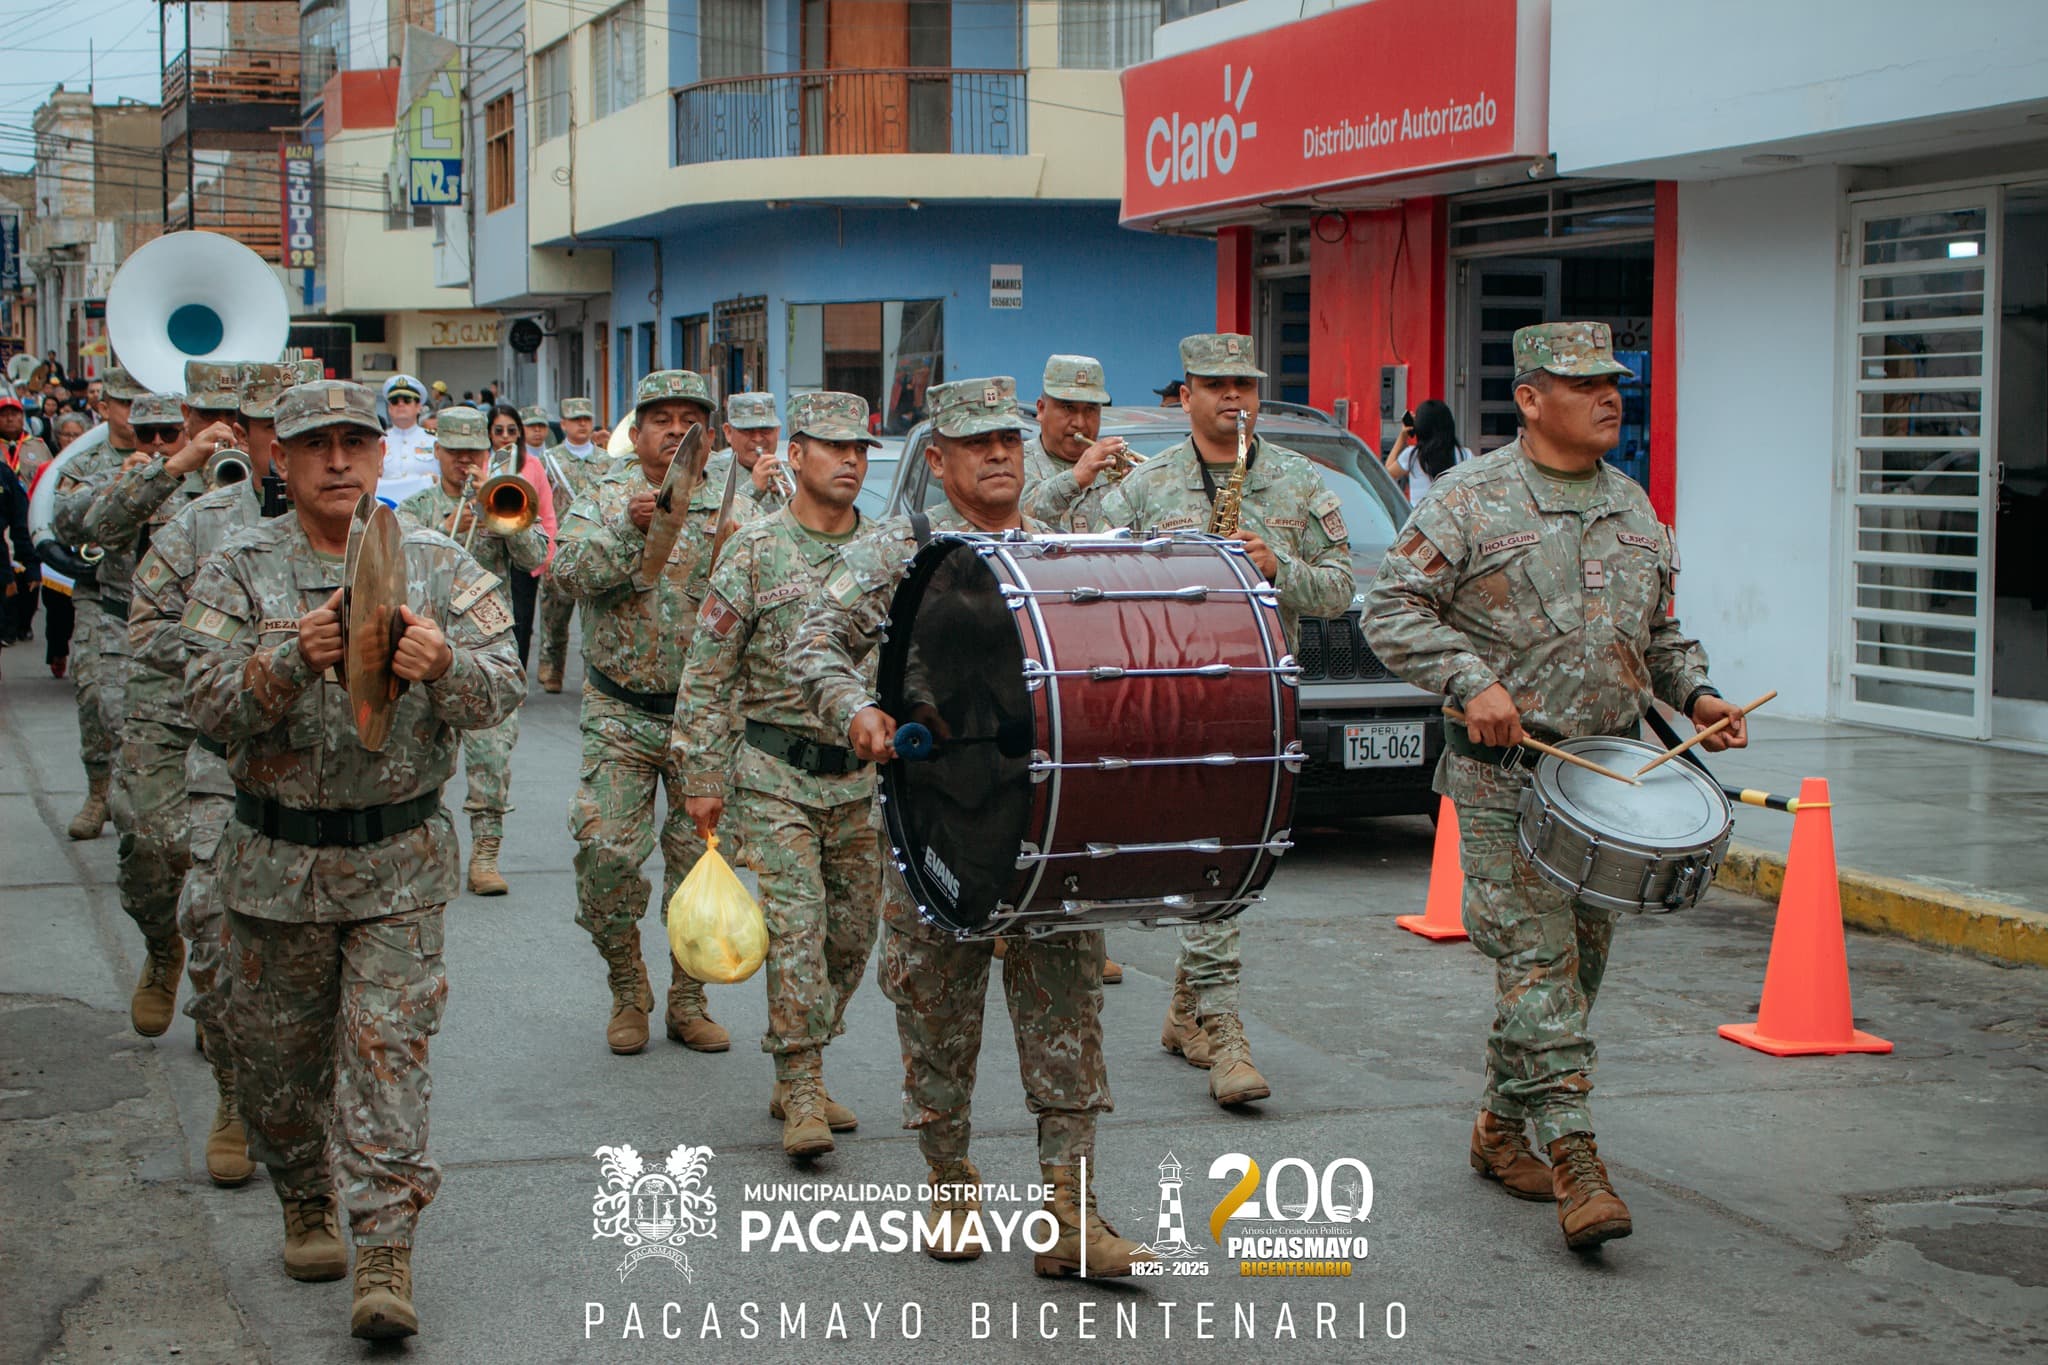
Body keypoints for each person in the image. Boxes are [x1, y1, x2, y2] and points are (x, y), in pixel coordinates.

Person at [1362, 321, 1751, 1252]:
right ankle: (1577, 1159)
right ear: (1531, 398)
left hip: (1608, 786)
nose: (1609, 396)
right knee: (1538, 966)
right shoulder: (1468, 499)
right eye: (1582, 384)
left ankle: (1500, 1128)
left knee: (1577, 974)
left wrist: (1698, 696)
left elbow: (1657, 636)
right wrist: (1470, 679)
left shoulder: (1633, 505)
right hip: (1504, 786)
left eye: (1613, 381)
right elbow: (1389, 608)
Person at [179, 378, 519, 1340]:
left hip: (397, 865)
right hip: (273, 867)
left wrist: (446, 666)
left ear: (381, 453)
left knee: (388, 1055)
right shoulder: (238, 569)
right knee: (280, 1071)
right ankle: (305, 1196)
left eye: (355, 442)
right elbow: (203, 706)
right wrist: (290, 658)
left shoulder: (442, 565)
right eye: (314, 444)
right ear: (278, 459)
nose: (338, 460)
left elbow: (501, 687)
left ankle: (384, 1249)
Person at [791, 376, 1151, 1277]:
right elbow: (814, 645)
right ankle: (950, 1184)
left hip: (1048, 821)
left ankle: (1070, 1216)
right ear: (939, 459)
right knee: (936, 1022)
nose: (998, 453)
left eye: (1009, 440)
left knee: (1068, 1016)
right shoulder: (899, 554)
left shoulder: (1062, 552)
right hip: (938, 825)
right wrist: (853, 711)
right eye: (976, 442)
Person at [1097, 334, 1354, 1108]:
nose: (1231, 397)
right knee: (1209, 841)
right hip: (1171, 692)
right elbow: (1099, 579)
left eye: (1244, 382)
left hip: (1258, 692)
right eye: (1214, 384)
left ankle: (1188, 1009)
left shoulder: (1303, 482)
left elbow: (1340, 589)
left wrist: (1279, 568)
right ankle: (1222, 1023)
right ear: (1186, 395)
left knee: (1228, 847)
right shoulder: (1144, 488)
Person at [676, 392, 880, 1160]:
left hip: (857, 779)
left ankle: (808, 1051)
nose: (851, 460)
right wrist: (703, 772)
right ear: (795, 456)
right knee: (798, 925)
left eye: (860, 448)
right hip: (773, 774)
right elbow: (706, 670)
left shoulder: (883, 553)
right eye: (834, 447)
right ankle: (800, 1083)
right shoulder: (756, 550)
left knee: (853, 934)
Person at [127, 358, 313, 1188]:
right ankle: (234, 1093)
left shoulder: (371, 531)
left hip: (324, 778)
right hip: (223, 761)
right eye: (276, 429)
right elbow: (145, 631)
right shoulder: (205, 522)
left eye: (305, 431)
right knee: (210, 930)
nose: (290, 446)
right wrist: (236, 658)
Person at [551, 370, 748, 1056]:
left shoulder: (736, 501)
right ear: (634, 432)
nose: (673, 430)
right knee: (604, 853)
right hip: (619, 710)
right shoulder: (604, 497)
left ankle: (688, 998)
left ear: (709, 432)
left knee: (698, 868)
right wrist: (631, 532)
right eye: (658, 417)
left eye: (687, 417)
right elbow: (565, 573)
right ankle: (628, 985)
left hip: (703, 720)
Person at [82, 370, 244, 1037]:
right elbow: (97, 525)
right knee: (149, 846)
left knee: (228, 864)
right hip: (164, 687)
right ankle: (161, 947)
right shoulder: (162, 468)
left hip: (243, 695)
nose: (227, 425)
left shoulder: (272, 477)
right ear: (186, 413)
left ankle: (217, 1002)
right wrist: (180, 461)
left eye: (240, 414)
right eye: (210, 414)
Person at [398, 407, 548, 894]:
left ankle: (486, 854)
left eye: (474, 453)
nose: (465, 462)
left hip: (484, 647)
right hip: (425, 645)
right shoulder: (415, 508)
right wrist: (448, 524)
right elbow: (397, 564)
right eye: (455, 453)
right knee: (421, 756)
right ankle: (426, 852)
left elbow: (533, 560)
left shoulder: (504, 500)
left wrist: (505, 522)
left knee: (491, 756)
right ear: (437, 452)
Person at [51, 363, 146, 839]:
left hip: (156, 600)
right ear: (104, 406)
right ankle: (97, 789)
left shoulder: (175, 449)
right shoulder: (86, 462)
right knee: (93, 694)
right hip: (101, 595)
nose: (136, 413)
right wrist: (121, 484)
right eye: (126, 403)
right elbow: (63, 519)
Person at [535, 396, 606, 693]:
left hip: (594, 546)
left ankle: (594, 673)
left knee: (595, 618)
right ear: (563, 424)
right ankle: (553, 668)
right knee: (555, 615)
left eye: (586, 420)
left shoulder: (606, 461)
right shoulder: (549, 460)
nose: (581, 425)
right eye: (575, 420)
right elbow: (539, 506)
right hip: (561, 546)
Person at [1020, 354, 1131, 543]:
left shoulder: (1114, 467)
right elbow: (1016, 516)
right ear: (1041, 409)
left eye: (1090, 410)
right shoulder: (1014, 461)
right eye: (1068, 408)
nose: (1080, 423)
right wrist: (1075, 479)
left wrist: (1135, 488)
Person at [488, 403, 553, 666]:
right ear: (489, 433)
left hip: (525, 554)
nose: (505, 435)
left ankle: (518, 675)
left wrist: (548, 556)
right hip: (490, 556)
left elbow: (547, 511)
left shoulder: (533, 465)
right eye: (499, 430)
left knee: (522, 621)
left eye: (511, 430)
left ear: (519, 434)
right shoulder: (481, 463)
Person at [1383, 399, 1473, 508]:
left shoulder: (1413, 455)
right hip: (1452, 520)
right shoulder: (1465, 455)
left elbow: (1386, 475)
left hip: (1420, 521)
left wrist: (1402, 438)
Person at [722, 391, 791, 511]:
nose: (758, 438)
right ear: (728, 433)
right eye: (747, 430)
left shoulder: (795, 474)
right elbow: (714, 524)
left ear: (777, 431)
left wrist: (796, 502)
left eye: (766, 429)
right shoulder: (710, 475)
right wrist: (753, 489)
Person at [380, 374, 436, 480]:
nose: (400, 404)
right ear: (389, 408)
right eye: (395, 401)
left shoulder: (435, 441)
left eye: (407, 400)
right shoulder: (379, 443)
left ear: (418, 407)